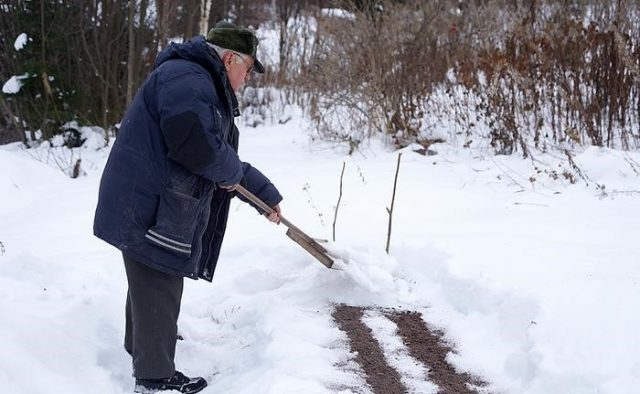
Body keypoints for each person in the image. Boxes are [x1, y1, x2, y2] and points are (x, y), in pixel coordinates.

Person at [93, 21, 282, 394]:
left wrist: (263, 195)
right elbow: (197, 147)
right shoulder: (189, 79)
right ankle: (153, 378)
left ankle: (147, 347)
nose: (246, 80)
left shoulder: (196, 81)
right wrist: (232, 175)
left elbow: (217, 156)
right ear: (230, 59)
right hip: (149, 203)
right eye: (247, 70)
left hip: (153, 201)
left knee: (150, 279)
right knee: (158, 278)